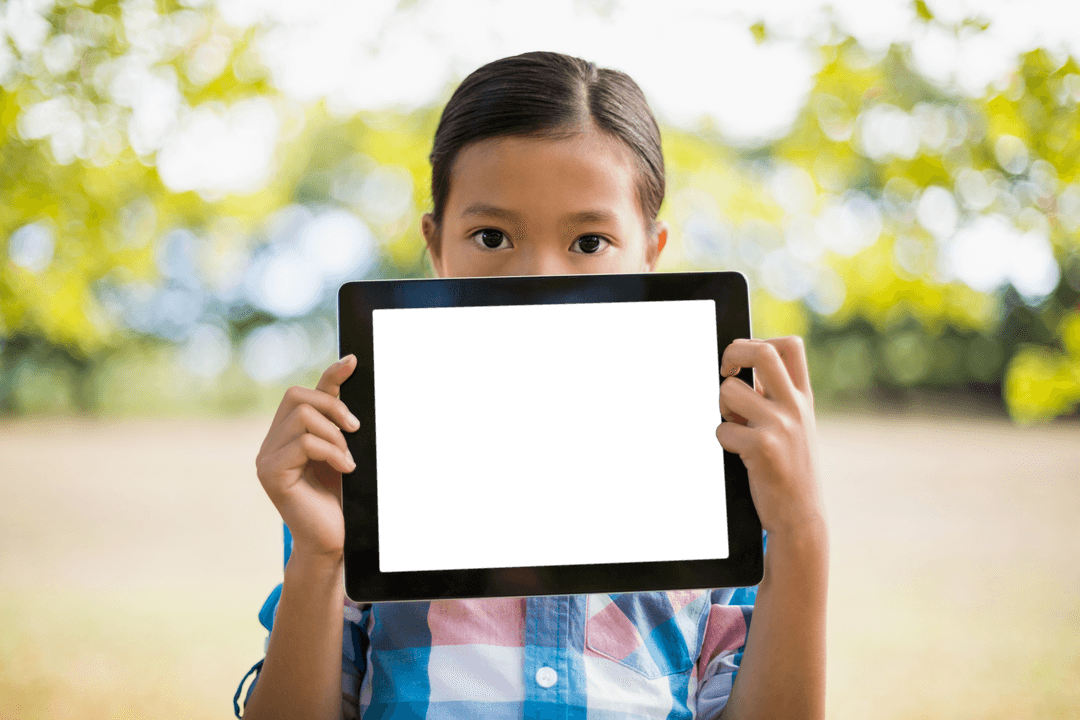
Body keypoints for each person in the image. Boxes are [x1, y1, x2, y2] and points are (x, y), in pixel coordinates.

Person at [234, 51, 828, 720]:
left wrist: (801, 529)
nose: (538, 282)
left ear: (651, 255)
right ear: (436, 248)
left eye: (589, 241)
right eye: (492, 236)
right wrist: (317, 557)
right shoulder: (355, 483)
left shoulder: (728, 491)